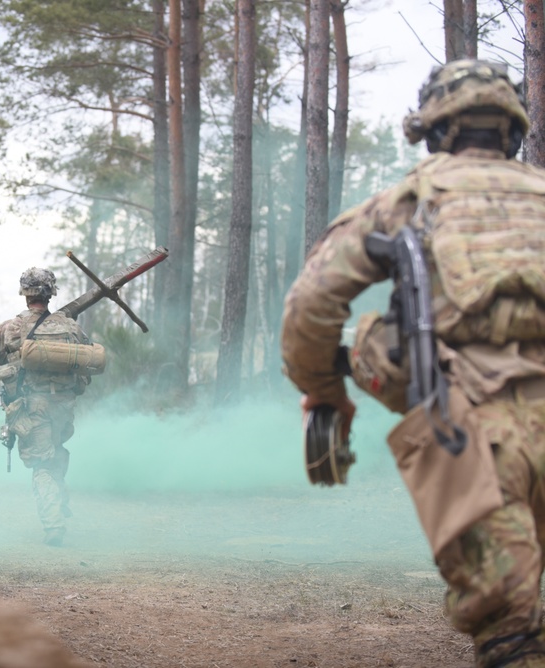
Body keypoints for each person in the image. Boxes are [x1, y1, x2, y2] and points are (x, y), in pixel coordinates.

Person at [281, 59, 545, 668]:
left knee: (511, 633)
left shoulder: (411, 199)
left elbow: (311, 305)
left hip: (474, 435)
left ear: (434, 130)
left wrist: (326, 392)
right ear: (511, 129)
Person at [0, 267, 92, 547]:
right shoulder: (71, 327)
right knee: (55, 451)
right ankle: (59, 498)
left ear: (25, 294)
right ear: (51, 293)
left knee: (41, 463)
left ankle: (53, 525)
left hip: (32, 407)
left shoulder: (11, 328)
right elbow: (87, 363)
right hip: (64, 407)